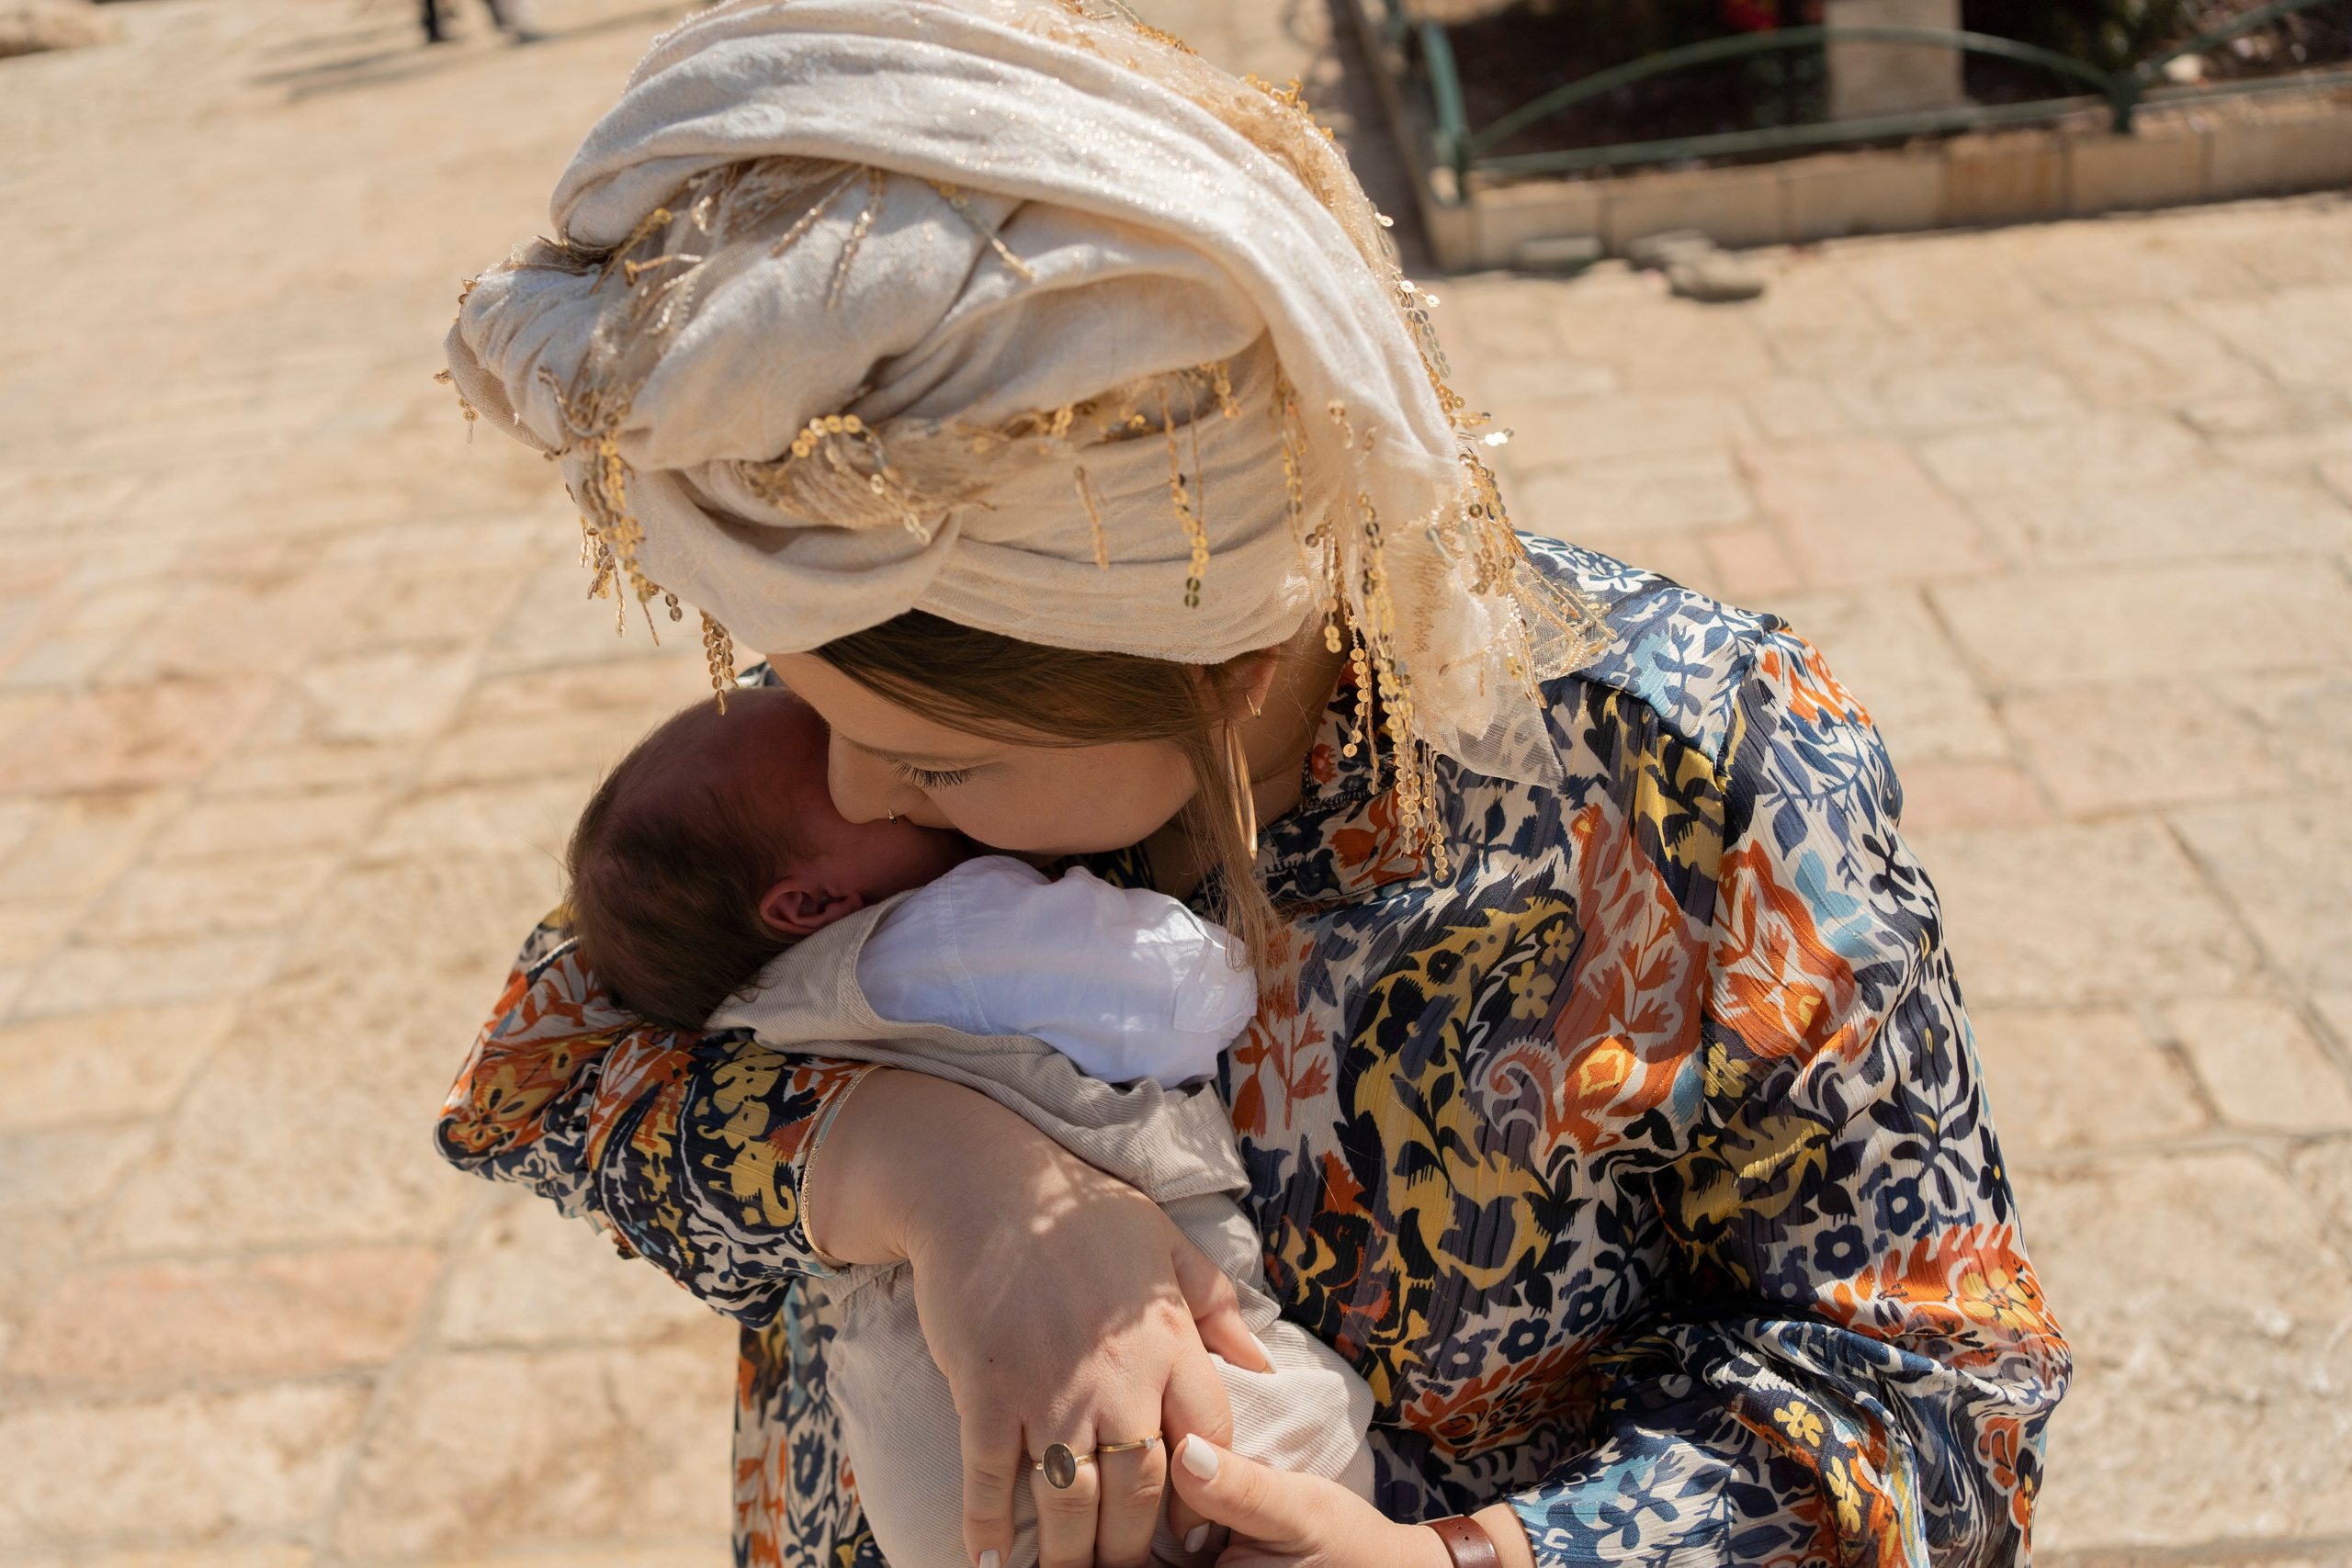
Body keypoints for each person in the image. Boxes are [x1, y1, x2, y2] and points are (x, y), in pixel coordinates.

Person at [436, 1, 2069, 1565]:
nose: (855, 791)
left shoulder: (1693, 766)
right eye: (809, 701)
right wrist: (938, 1175)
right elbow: (546, 1069)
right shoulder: (917, 631)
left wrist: (1470, 1557)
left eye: (937, 759)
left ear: (1211, 666)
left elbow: (1936, 1396)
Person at [559, 684, 1380, 1568]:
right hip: (1144, 1397)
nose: (861, 776)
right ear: (805, 901)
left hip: (911, 1454)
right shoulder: (947, 930)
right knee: (1315, 1453)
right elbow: (1182, 989)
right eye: (831, 759)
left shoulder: (746, 1001)